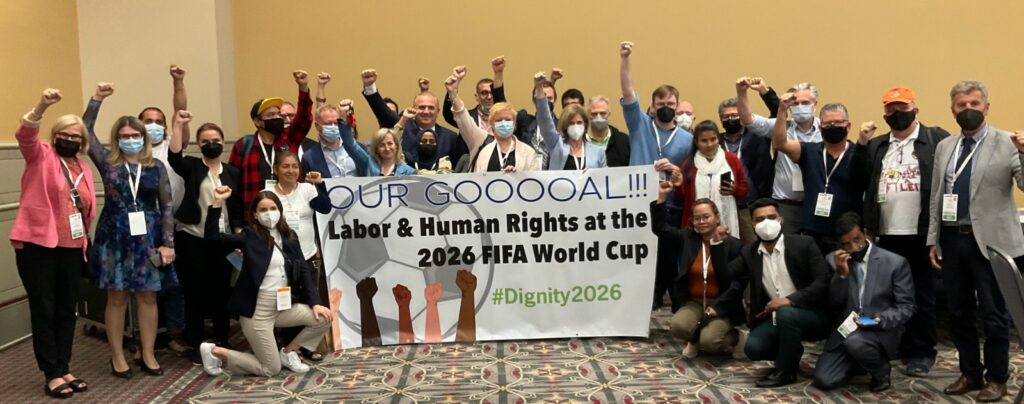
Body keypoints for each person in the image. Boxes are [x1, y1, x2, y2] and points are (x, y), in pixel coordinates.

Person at [926, 80, 1024, 402]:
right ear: (952, 109)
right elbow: (937, 197)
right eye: (961, 105)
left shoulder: (1008, 142)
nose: (968, 109)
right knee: (958, 312)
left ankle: (997, 378)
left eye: (974, 104)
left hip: (992, 244)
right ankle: (969, 373)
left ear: (986, 107)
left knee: (995, 315)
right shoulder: (945, 146)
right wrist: (933, 239)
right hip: (953, 241)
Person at [853, 87, 949, 377]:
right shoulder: (878, 144)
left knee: (922, 295)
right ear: (884, 114)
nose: (896, 113)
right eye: (890, 109)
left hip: (921, 233)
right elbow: (859, 178)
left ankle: (922, 352)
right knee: (890, 296)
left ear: (915, 108)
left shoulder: (935, 138)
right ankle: (899, 345)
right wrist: (860, 143)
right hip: (886, 232)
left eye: (902, 107)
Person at [84, 86, 177, 379]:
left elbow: (166, 207)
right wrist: (96, 100)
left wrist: (168, 244)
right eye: (125, 136)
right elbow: (85, 128)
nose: (131, 140)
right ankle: (117, 356)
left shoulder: (156, 167)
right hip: (114, 238)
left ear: (144, 138)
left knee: (148, 297)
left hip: (148, 239)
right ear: (117, 139)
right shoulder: (108, 162)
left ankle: (148, 353)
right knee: (117, 298)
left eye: (136, 136)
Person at [12, 88, 95, 398]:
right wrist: (42, 106)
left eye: (74, 135)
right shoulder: (41, 154)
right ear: (54, 135)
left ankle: (64, 365)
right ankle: (51, 372)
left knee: (65, 309)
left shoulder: (83, 168)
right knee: (44, 309)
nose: (68, 138)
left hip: (73, 248)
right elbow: (25, 134)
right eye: (62, 133)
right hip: (39, 247)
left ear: (82, 141)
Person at [198, 188, 333, 377]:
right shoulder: (249, 235)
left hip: (283, 306)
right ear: (255, 214)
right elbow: (213, 239)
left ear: (279, 210)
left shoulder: (289, 236)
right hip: (257, 311)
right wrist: (217, 204)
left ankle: (289, 352)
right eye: (263, 210)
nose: (269, 214)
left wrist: (316, 303)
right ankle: (215, 352)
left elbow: (303, 270)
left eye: (273, 208)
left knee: (324, 318)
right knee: (271, 369)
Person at [618, 41, 694, 310]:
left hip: (670, 207)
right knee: (636, 256)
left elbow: (688, 177)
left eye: (670, 103)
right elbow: (627, 92)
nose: (665, 106)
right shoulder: (639, 125)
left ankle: (670, 304)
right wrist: (625, 58)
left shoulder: (687, 138)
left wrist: (675, 172)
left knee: (667, 260)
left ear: (677, 106)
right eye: (660, 102)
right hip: (637, 203)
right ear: (652, 105)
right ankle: (636, 304)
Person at [167, 110, 243, 363]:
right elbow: (174, 155)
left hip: (221, 239)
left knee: (221, 290)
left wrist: (239, 236)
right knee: (194, 291)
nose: (212, 144)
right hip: (192, 238)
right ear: (199, 145)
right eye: (206, 141)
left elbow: (238, 208)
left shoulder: (233, 171)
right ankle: (196, 341)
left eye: (216, 140)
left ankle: (222, 338)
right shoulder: (192, 167)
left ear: (223, 143)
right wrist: (179, 124)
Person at [731, 198, 830, 387]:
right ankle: (791, 352)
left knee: (786, 313)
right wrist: (721, 241)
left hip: (813, 315)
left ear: (781, 219)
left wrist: (789, 300)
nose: (766, 223)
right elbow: (727, 273)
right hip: (776, 317)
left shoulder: (804, 244)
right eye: (760, 219)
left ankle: (786, 371)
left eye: (771, 217)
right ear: (752, 224)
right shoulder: (750, 252)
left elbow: (822, 282)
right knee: (753, 348)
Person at [812, 212, 915, 392]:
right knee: (824, 380)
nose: (854, 247)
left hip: (879, 329)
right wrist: (841, 275)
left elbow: (907, 307)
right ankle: (857, 362)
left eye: (857, 239)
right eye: (846, 243)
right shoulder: (832, 260)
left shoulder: (895, 262)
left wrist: (878, 320)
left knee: (855, 343)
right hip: (846, 330)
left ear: (866, 233)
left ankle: (881, 370)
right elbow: (832, 304)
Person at [652, 180, 745, 359]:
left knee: (710, 342)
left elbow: (737, 284)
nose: (701, 222)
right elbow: (660, 229)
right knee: (678, 327)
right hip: (693, 302)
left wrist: (718, 307)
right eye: (697, 218)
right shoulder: (687, 238)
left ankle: (736, 338)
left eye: (706, 217)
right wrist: (662, 197)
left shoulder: (733, 246)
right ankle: (694, 339)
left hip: (720, 305)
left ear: (717, 218)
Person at [772, 97, 866, 255]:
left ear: (848, 126)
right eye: (828, 124)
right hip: (813, 231)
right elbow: (780, 143)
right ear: (821, 128)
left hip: (847, 233)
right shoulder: (809, 151)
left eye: (838, 123)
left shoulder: (859, 154)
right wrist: (782, 111)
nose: (833, 126)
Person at [736, 77, 822, 235]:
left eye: (805, 103)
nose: (799, 107)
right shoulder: (781, 126)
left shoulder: (825, 130)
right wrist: (741, 93)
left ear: (815, 105)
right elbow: (748, 120)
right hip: (786, 205)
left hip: (816, 205)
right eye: (795, 103)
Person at [268, 151, 332, 360]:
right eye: (285, 166)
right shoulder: (268, 193)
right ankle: (287, 344)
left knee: (310, 299)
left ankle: (306, 346)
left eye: (295, 166)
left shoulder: (307, 189)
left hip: (309, 254)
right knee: (288, 303)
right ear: (276, 169)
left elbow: (325, 207)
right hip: (281, 259)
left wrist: (320, 184)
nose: (291, 170)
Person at [228, 70, 313, 210]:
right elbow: (234, 183)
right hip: (255, 213)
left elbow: (304, 118)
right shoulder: (244, 145)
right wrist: (237, 222)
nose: (277, 118)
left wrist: (303, 87)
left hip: (289, 210)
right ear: (257, 121)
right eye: (270, 115)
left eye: (278, 114)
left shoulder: (289, 139)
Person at [359, 69, 464, 169]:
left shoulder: (450, 137)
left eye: (431, 108)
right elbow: (383, 113)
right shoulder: (402, 129)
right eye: (421, 107)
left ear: (438, 111)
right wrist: (369, 86)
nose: (426, 112)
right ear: (414, 109)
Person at [446, 66, 539, 173]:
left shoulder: (528, 152)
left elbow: (533, 183)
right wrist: (453, 93)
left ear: (514, 124)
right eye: (499, 120)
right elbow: (462, 116)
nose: (504, 123)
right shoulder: (480, 140)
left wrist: (517, 176)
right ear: (492, 124)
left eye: (508, 120)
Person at [673, 120, 748, 235]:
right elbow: (681, 198)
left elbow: (744, 189)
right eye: (704, 141)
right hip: (697, 224)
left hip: (727, 220)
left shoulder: (731, 160)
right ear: (696, 142)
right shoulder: (688, 164)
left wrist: (735, 189)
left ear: (719, 139)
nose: (709, 144)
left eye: (713, 139)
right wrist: (678, 186)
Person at [718, 97, 774, 243]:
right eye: (726, 116)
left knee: (754, 248)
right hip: (723, 206)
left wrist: (765, 92)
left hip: (750, 206)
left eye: (735, 115)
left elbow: (776, 113)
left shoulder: (758, 136)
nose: (730, 119)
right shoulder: (716, 141)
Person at [533, 72, 607, 170]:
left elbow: (606, 180)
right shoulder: (556, 144)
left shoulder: (598, 152)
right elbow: (545, 120)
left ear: (585, 124)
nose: (576, 126)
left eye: (579, 122)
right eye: (571, 123)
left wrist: (594, 174)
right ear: (565, 125)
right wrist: (539, 87)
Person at [339, 104, 415, 176]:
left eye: (390, 143)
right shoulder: (368, 164)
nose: (387, 148)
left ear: (397, 146)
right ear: (376, 149)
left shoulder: (408, 171)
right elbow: (350, 145)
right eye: (382, 145)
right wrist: (343, 118)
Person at [442, 56, 507, 131]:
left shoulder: (506, 118)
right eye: (484, 93)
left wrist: (498, 73)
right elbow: (448, 115)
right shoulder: (467, 118)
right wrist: (452, 90)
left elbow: (502, 106)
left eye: (492, 93)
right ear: (477, 96)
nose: (489, 97)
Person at [301, 103, 358, 179]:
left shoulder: (357, 148)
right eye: (328, 124)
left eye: (336, 123)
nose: (333, 127)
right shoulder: (309, 158)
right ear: (317, 126)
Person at [586, 96, 631, 167]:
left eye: (603, 113)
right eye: (594, 114)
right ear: (588, 116)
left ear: (609, 115)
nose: (598, 117)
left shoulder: (624, 141)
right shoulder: (579, 143)